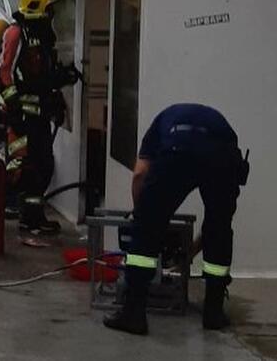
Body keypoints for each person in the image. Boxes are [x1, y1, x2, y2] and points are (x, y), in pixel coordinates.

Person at [104, 103, 249, 336]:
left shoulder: (159, 125)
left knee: (146, 226)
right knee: (219, 229)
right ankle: (213, 312)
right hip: (222, 155)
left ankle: (133, 313)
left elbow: (140, 174)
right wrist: (191, 251)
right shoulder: (221, 127)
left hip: (177, 151)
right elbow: (219, 221)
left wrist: (141, 215)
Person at [0, 0, 79, 235]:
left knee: (42, 166)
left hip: (39, 115)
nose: (52, 14)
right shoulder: (16, 33)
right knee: (24, 168)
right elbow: (4, 73)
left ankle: (32, 216)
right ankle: (17, 212)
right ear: (38, 7)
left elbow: (40, 77)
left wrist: (59, 82)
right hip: (22, 117)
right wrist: (14, 108)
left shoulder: (41, 36)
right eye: (49, 8)